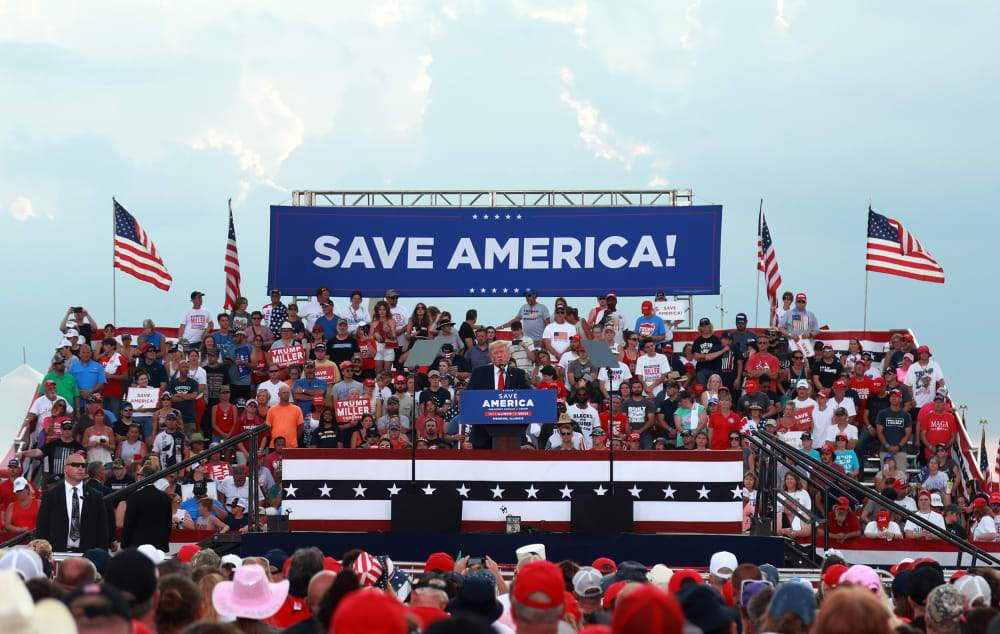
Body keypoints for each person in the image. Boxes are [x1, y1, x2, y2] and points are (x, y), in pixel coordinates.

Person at [35, 452, 110, 551]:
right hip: (56, 553)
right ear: (65, 468)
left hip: (86, 554)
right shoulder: (50, 495)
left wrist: (100, 554)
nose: (80, 468)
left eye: (83, 466)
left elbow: (102, 529)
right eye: (75, 465)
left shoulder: (95, 496)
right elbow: (42, 527)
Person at [121, 464, 172, 552]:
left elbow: (128, 522)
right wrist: (165, 542)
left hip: (138, 544)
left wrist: (124, 544)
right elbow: (168, 523)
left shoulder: (135, 497)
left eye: (138, 475)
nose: (137, 477)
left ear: (143, 477)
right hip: (159, 544)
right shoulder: (165, 497)